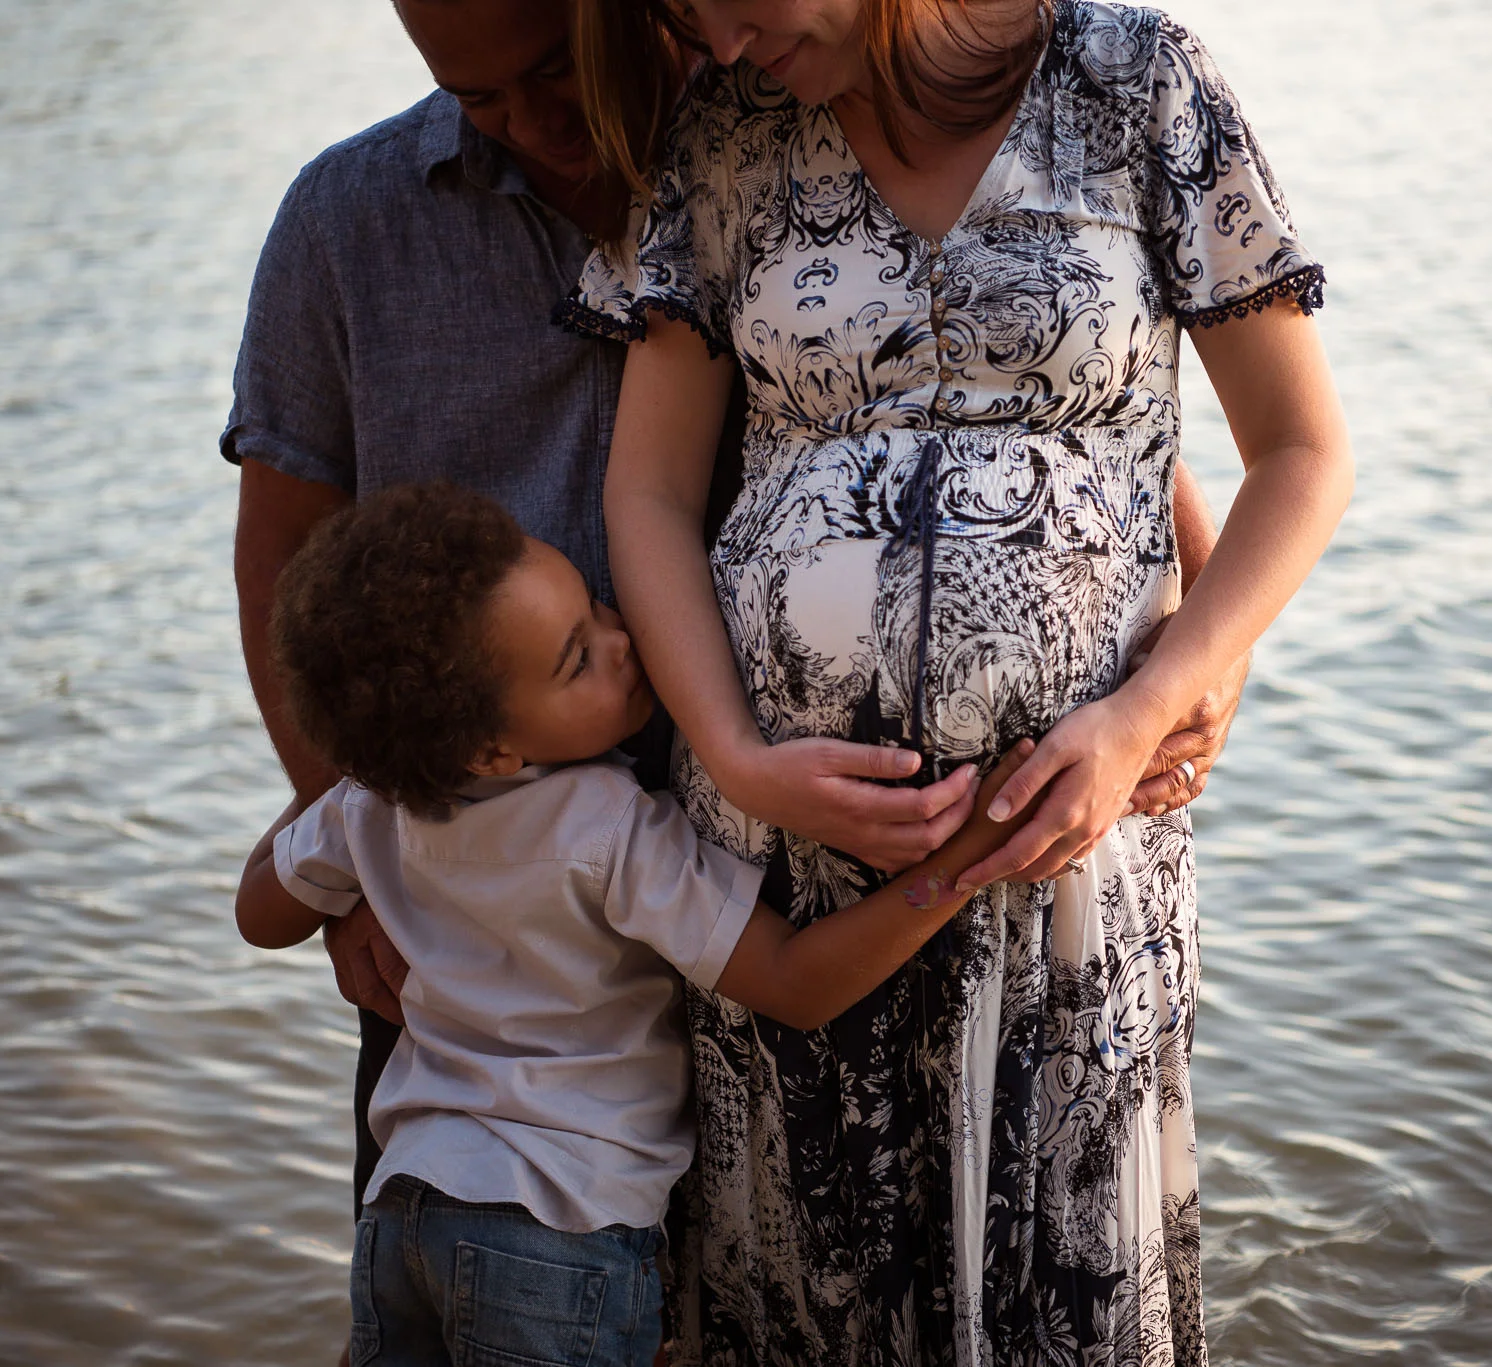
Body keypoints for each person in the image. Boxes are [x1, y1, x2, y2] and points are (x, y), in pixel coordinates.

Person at [221, 0, 1244, 1350]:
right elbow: (281, 568)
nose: (532, 126)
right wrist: (370, 878)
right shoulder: (346, 225)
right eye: (480, 101)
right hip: (493, 933)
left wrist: (1193, 656)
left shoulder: (778, 107)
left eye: (549, 75)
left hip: (752, 887)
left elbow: (1046, 398)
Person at [564, 1, 1354, 1363]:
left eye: (736, 1)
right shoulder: (725, 135)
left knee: (1066, 1299)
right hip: (790, 872)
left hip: (1072, 872)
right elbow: (643, 490)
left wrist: (1145, 709)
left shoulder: (1135, 80)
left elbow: (1302, 454)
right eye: (690, 13)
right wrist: (741, 756)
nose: (724, 40)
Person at [234, 483, 1040, 1367]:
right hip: (559, 1230)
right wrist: (966, 864)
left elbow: (257, 912)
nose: (623, 641)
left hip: (403, 1210)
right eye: (577, 659)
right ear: (492, 752)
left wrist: (361, 770)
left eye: (596, 604)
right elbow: (797, 984)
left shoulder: (371, 809)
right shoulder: (606, 827)